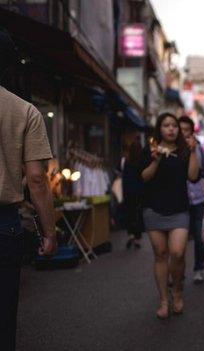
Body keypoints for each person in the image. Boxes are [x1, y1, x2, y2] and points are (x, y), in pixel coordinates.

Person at [0, 27, 57, 351]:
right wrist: (49, 232)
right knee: (5, 316)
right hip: (5, 224)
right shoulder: (24, 111)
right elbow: (37, 179)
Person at [140, 112, 199, 319]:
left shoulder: (184, 150)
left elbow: (193, 177)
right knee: (160, 255)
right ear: (160, 129)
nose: (171, 129)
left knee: (178, 252)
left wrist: (193, 151)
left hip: (179, 209)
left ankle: (178, 292)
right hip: (154, 209)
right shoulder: (151, 149)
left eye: (174, 125)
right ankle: (164, 300)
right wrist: (155, 161)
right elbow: (144, 177)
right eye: (166, 125)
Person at [178, 115, 204, 284]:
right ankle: (177, 271)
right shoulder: (170, 149)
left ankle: (199, 268)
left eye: (187, 130)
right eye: (181, 129)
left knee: (200, 235)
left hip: (199, 198)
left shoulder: (199, 149)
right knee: (179, 240)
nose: (183, 133)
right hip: (179, 200)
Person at [122, 138, 144, 250]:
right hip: (139, 192)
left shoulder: (127, 162)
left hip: (128, 192)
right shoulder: (141, 161)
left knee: (130, 214)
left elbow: (124, 179)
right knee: (138, 215)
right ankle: (137, 238)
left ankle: (130, 235)